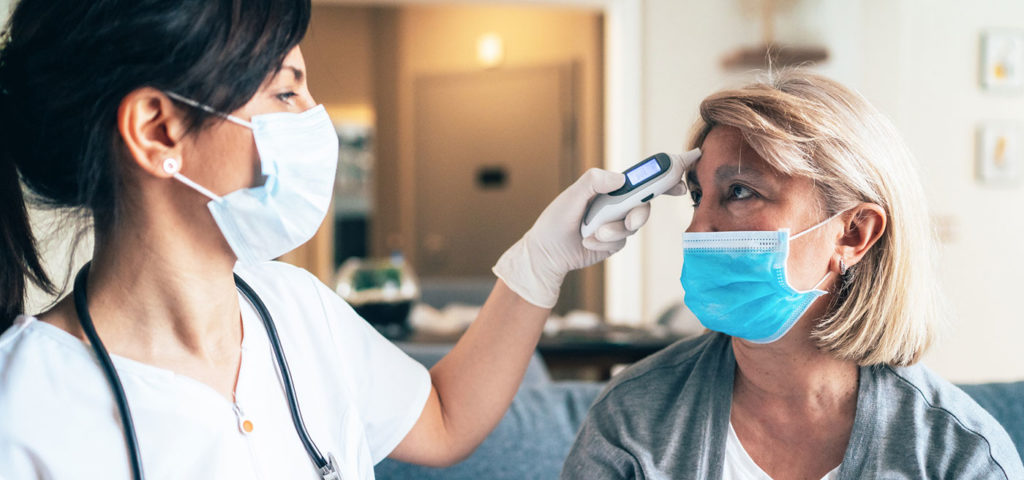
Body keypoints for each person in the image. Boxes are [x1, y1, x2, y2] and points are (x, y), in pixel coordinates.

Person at [0, 1, 655, 478]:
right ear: (158, 129)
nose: (316, 119)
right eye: (286, 92)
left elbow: (445, 417)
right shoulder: (24, 408)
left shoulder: (294, 308)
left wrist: (541, 260)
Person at [561, 70, 1024, 479]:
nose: (697, 227)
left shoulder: (960, 456)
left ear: (855, 233)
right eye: (697, 195)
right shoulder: (631, 417)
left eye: (740, 191)